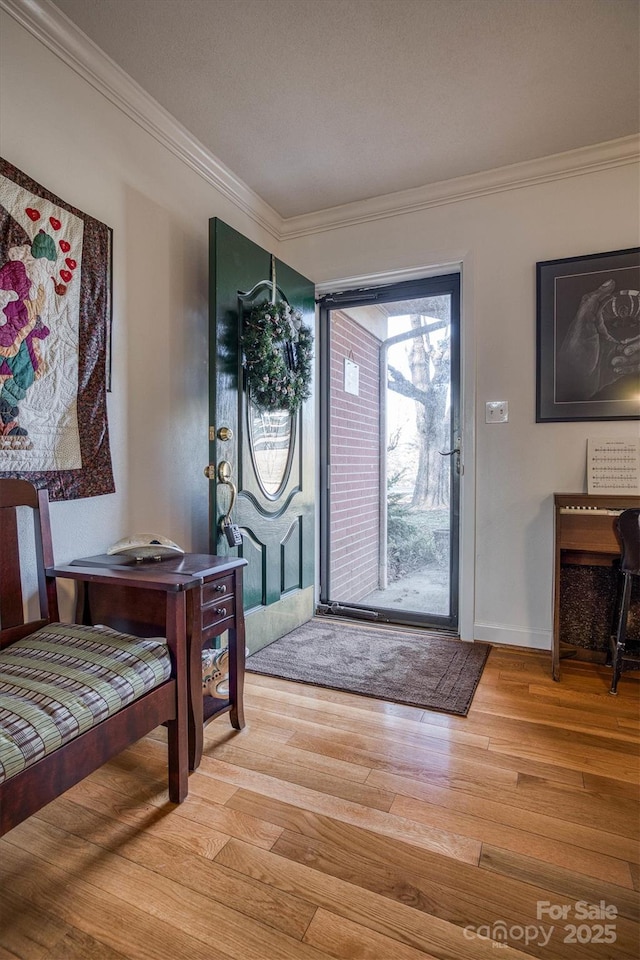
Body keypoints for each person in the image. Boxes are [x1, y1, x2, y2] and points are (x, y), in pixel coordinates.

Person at [556, 280, 640, 402]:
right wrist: (574, 376)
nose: (623, 313)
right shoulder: (608, 321)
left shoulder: (629, 322)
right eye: (622, 310)